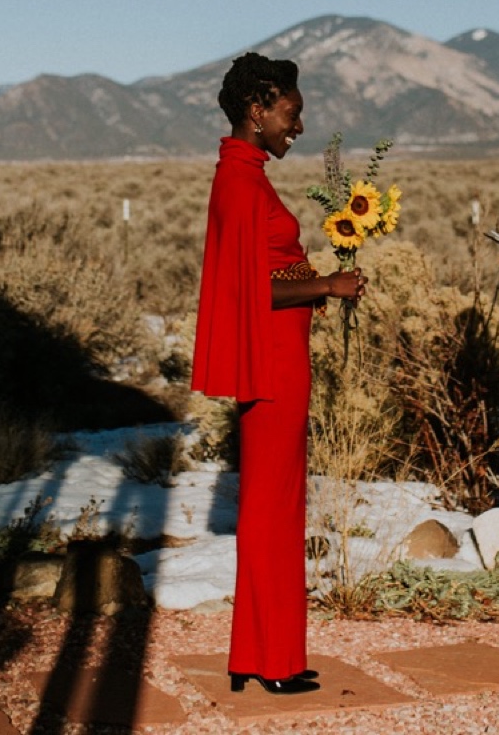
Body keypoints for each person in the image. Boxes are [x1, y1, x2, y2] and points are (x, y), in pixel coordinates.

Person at [191, 53, 364, 696]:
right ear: (257, 109)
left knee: (275, 503)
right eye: (292, 115)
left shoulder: (247, 175)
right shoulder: (238, 181)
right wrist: (328, 283)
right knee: (272, 506)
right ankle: (274, 660)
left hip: (282, 355)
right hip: (271, 361)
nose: (297, 128)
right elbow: (246, 287)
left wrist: (313, 279)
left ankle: (258, 655)